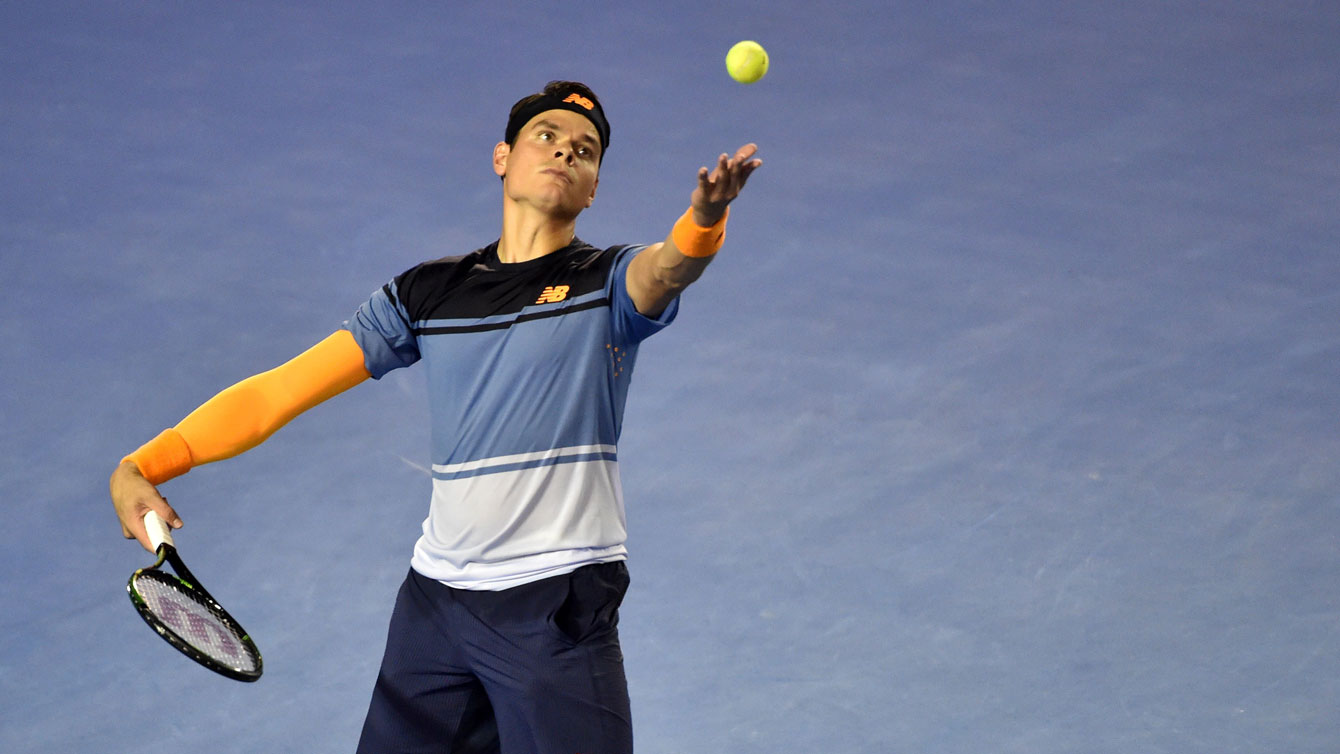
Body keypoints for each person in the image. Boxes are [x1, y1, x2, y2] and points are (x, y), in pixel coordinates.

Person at [110, 80, 760, 754]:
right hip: (436, 606)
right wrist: (144, 465)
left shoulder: (607, 284)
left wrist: (704, 218)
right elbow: (278, 392)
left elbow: (667, 270)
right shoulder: (428, 293)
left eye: (585, 151)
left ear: (593, 188)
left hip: (553, 607)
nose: (566, 152)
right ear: (502, 158)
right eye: (548, 136)